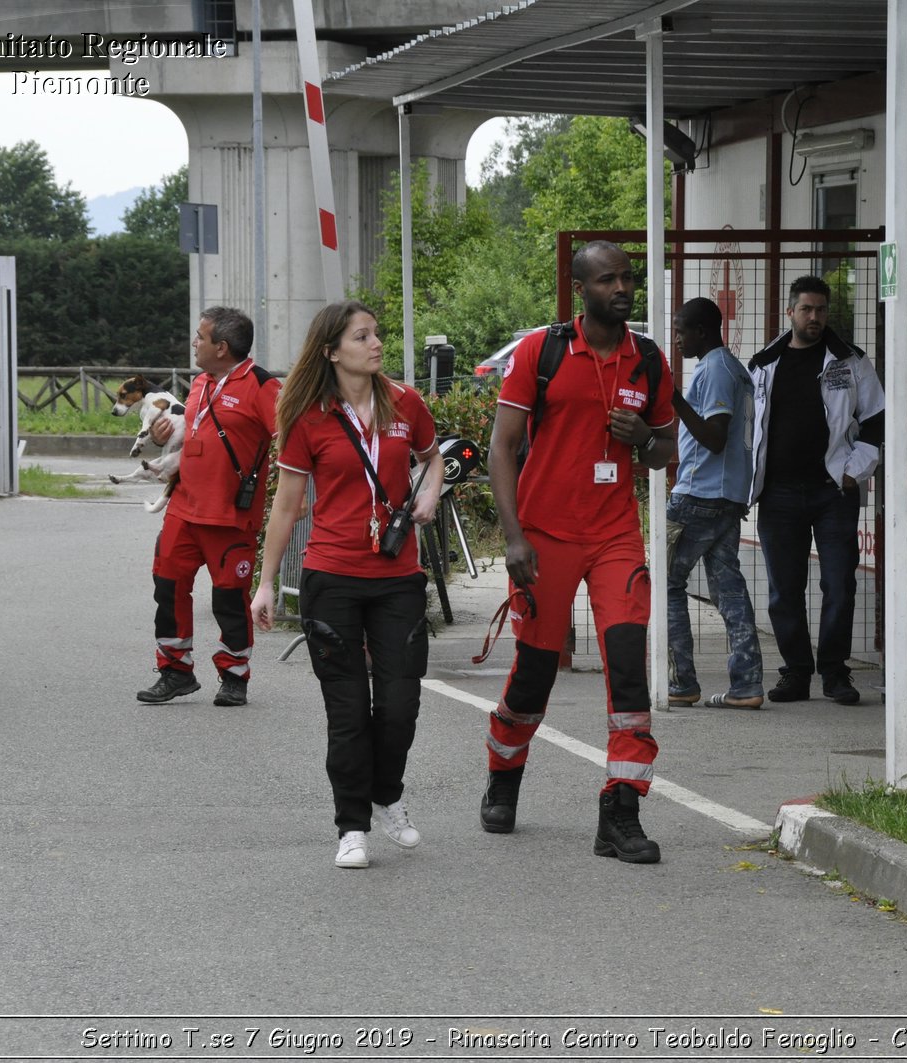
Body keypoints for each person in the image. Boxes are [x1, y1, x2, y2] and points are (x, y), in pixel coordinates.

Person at [481, 239, 677, 864]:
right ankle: (504, 773)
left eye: (627, 279)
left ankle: (620, 811)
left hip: (616, 534)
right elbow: (502, 449)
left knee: (627, 661)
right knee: (536, 671)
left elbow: (665, 451)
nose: (621, 289)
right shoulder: (542, 352)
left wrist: (646, 438)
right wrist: (514, 538)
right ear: (580, 289)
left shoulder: (647, 358)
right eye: (607, 281)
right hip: (545, 537)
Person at [249, 301, 444, 870]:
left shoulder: (405, 401)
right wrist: (265, 584)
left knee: (401, 705)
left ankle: (388, 794)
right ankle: (352, 826)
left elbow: (434, 459)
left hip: (398, 577)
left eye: (377, 334)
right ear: (333, 350)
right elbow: (286, 505)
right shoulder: (308, 414)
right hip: (332, 577)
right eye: (363, 336)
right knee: (349, 710)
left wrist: (429, 492)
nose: (377, 343)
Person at [748, 276, 885, 706]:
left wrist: (853, 472)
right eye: (806, 309)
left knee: (840, 584)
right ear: (790, 312)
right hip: (779, 495)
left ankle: (835, 672)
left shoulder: (851, 362)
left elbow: (877, 422)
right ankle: (796, 672)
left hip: (833, 494)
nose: (814, 317)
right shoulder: (763, 363)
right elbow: (747, 429)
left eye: (821, 310)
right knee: (783, 589)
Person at [136, 306, 280, 708]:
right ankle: (175, 672)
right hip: (184, 508)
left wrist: (295, 492)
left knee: (228, 600)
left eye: (200, 337)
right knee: (167, 588)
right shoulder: (199, 383)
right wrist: (165, 435)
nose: (194, 343)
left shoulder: (263, 387)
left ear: (222, 346)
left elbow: (290, 440)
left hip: (231, 516)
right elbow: (194, 436)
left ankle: (234, 676)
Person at [665, 297, 764, 710]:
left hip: (699, 494)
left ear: (701, 331)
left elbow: (715, 436)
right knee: (729, 589)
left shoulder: (718, 370)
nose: (677, 338)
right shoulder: (732, 369)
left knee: (665, 585)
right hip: (725, 497)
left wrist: (674, 399)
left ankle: (681, 682)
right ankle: (746, 685)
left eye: (681, 330)